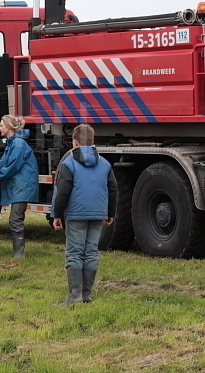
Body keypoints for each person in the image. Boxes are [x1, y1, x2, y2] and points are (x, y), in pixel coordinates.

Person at [50, 124, 117, 305]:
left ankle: (75, 296)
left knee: (74, 253)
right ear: (93, 142)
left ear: (74, 142)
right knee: (91, 252)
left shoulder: (68, 163)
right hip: (98, 213)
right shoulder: (104, 163)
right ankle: (86, 295)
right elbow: (113, 190)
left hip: (76, 213)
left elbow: (63, 192)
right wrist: (110, 213)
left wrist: (57, 215)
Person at [0, 115, 39, 258]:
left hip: (22, 186)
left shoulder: (18, 144)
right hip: (19, 186)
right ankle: (18, 252)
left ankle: (19, 254)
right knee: (16, 218)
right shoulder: (13, 143)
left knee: (15, 219)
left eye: (1, 125)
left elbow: (12, 166)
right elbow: (3, 163)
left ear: (8, 127)